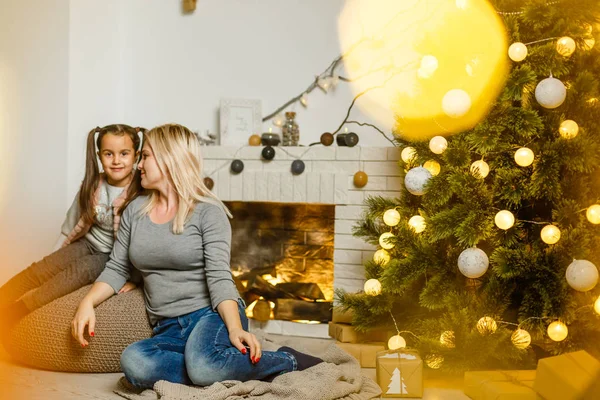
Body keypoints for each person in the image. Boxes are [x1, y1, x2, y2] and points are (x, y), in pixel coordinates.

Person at [71, 123, 323, 389]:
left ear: (169, 159)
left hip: (210, 316)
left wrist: (236, 329)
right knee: (135, 362)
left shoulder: (208, 213)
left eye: (145, 156)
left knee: (203, 367)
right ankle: (211, 364)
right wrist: (86, 303)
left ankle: (286, 360)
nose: (139, 165)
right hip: (168, 326)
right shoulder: (134, 212)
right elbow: (117, 268)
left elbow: (219, 278)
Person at [0, 124, 144, 329]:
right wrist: (55, 256)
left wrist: (134, 279)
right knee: (41, 270)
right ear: (99, 155)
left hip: (112, 257)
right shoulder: (94, 186)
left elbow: (142, 245)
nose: (116, 160)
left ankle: (15, 312)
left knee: (79, 271)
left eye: (124, 153)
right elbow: (70, 225)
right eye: (108, 154)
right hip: (88, 243)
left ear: (136, 155)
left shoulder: (139, 193)